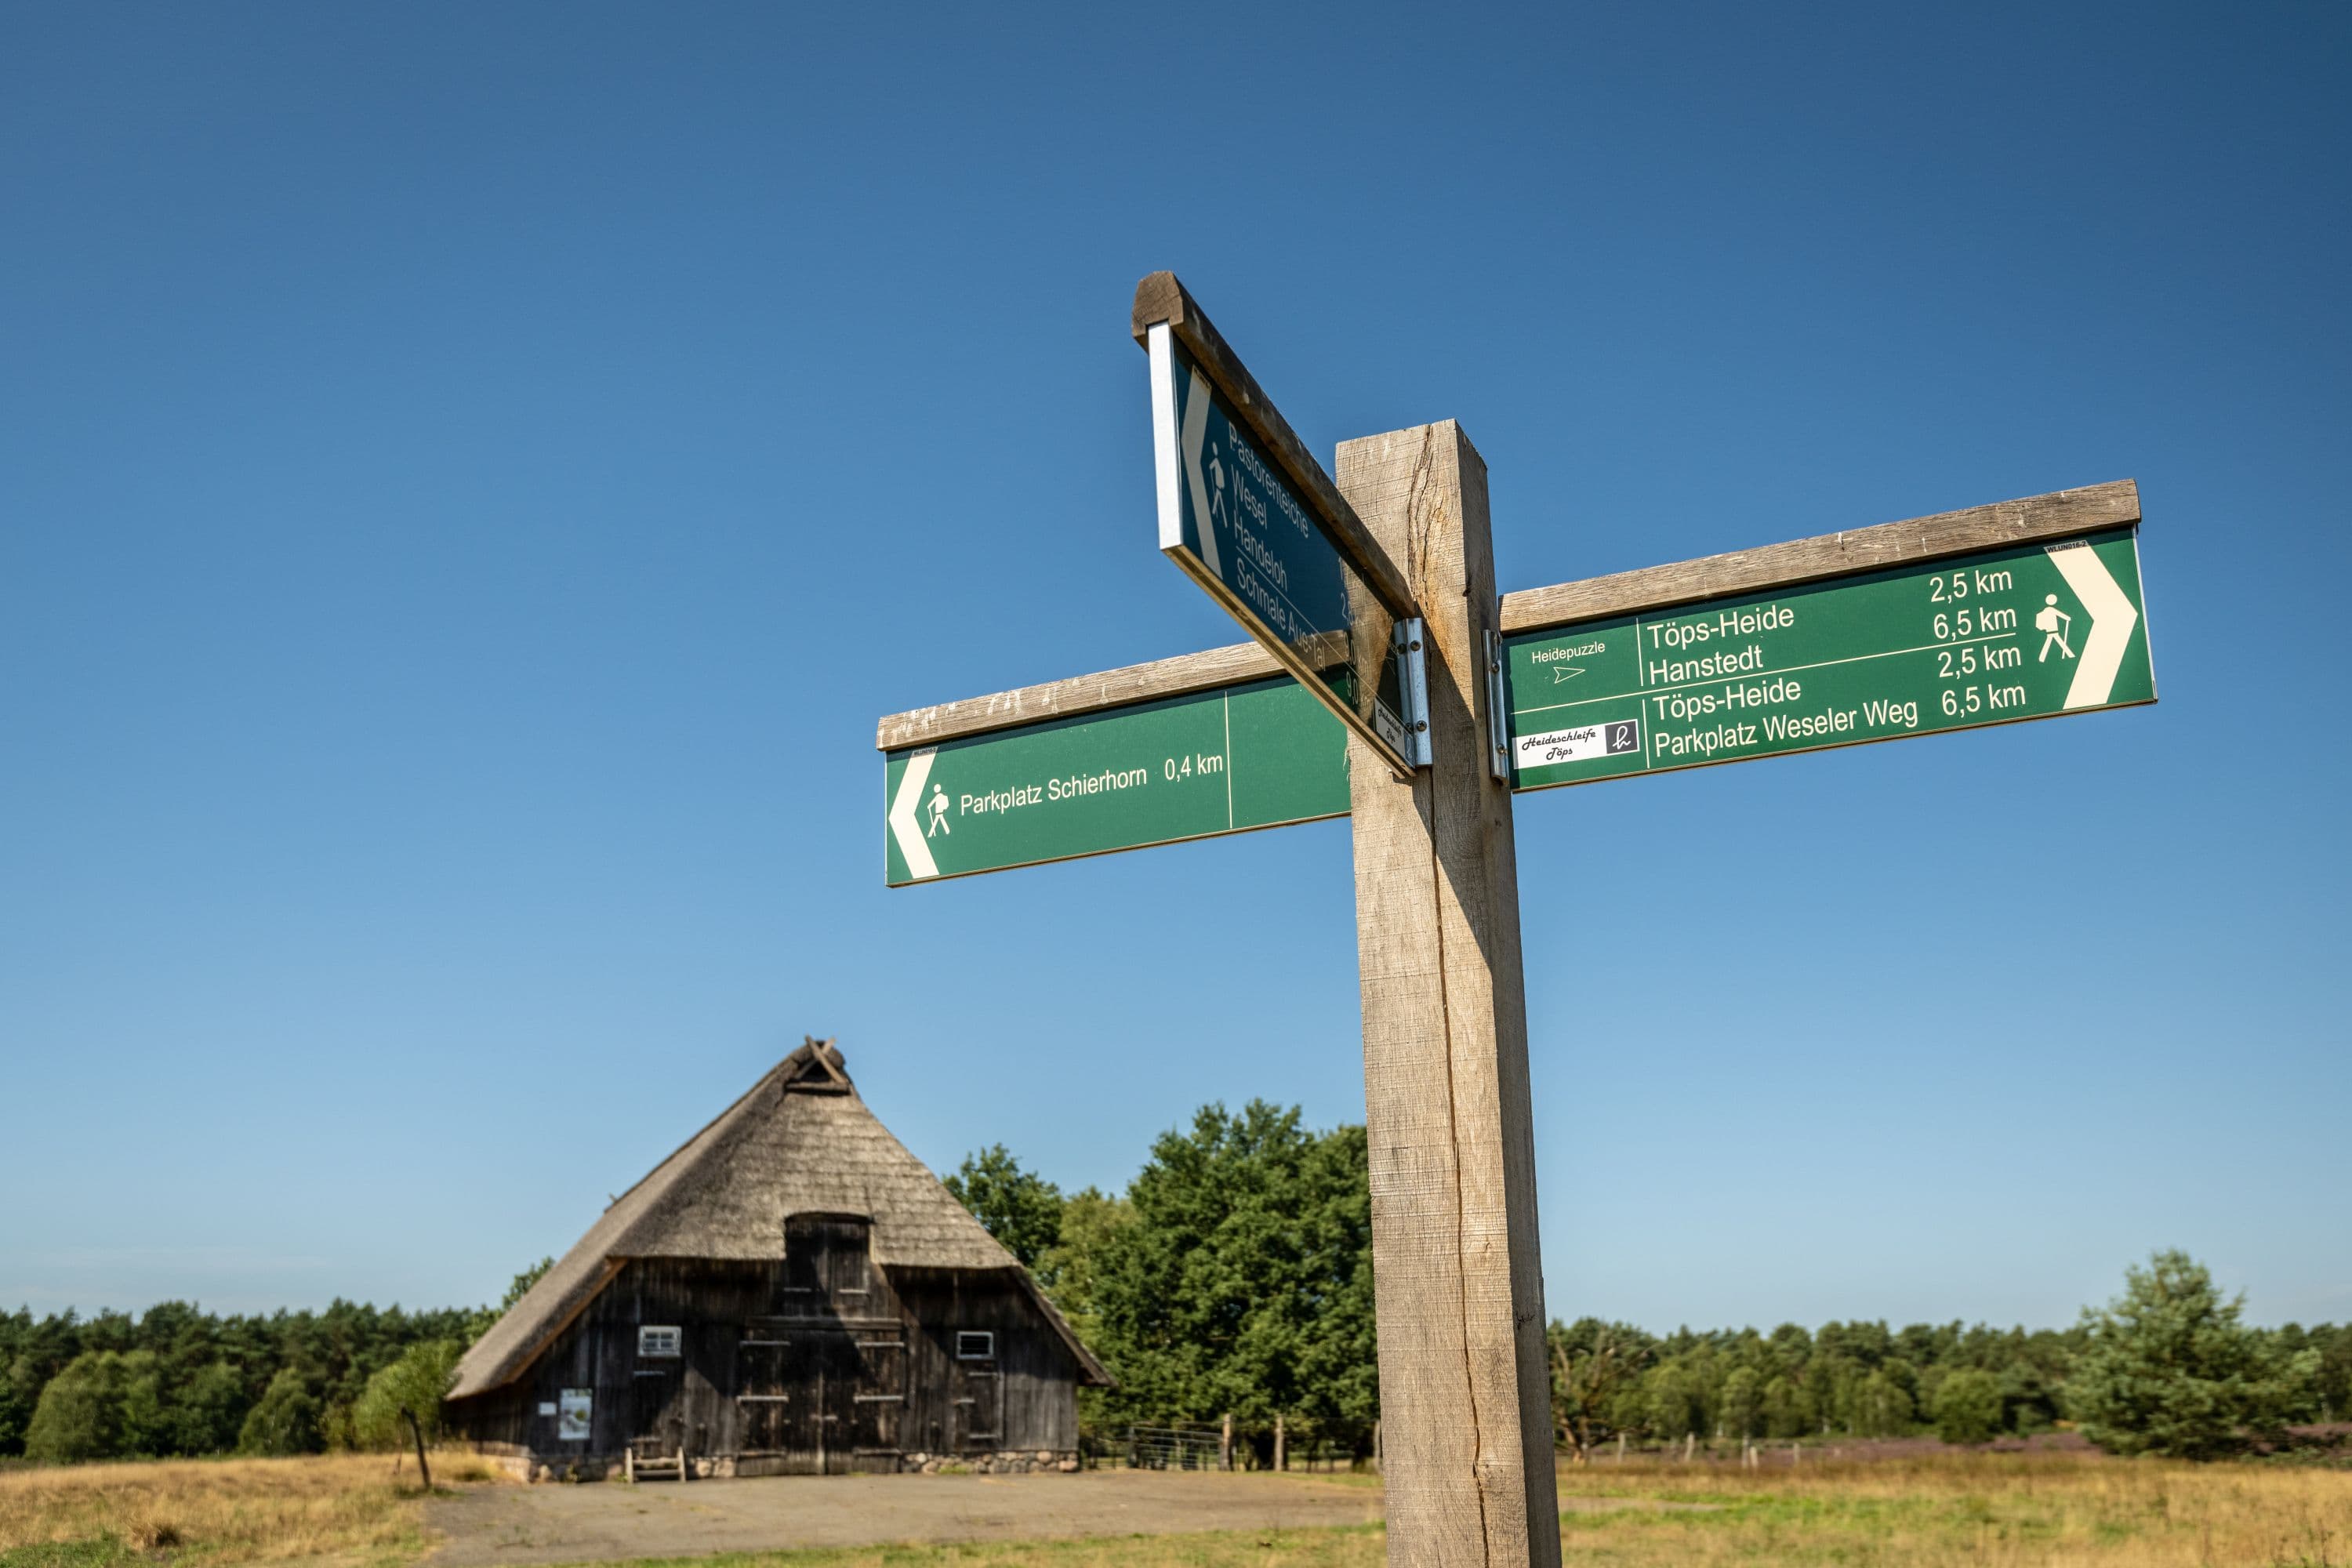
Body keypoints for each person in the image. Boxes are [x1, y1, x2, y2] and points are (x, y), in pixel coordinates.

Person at [2035, 593, 2075, 662]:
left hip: (2049, 631)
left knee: (2050, 643)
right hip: (2054, 630)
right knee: (2060, 642)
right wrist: (2068, 618)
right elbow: (2060, 614)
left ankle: (2041, 658)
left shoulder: (2044, 611)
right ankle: (2070, 654)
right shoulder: (2051, 610)